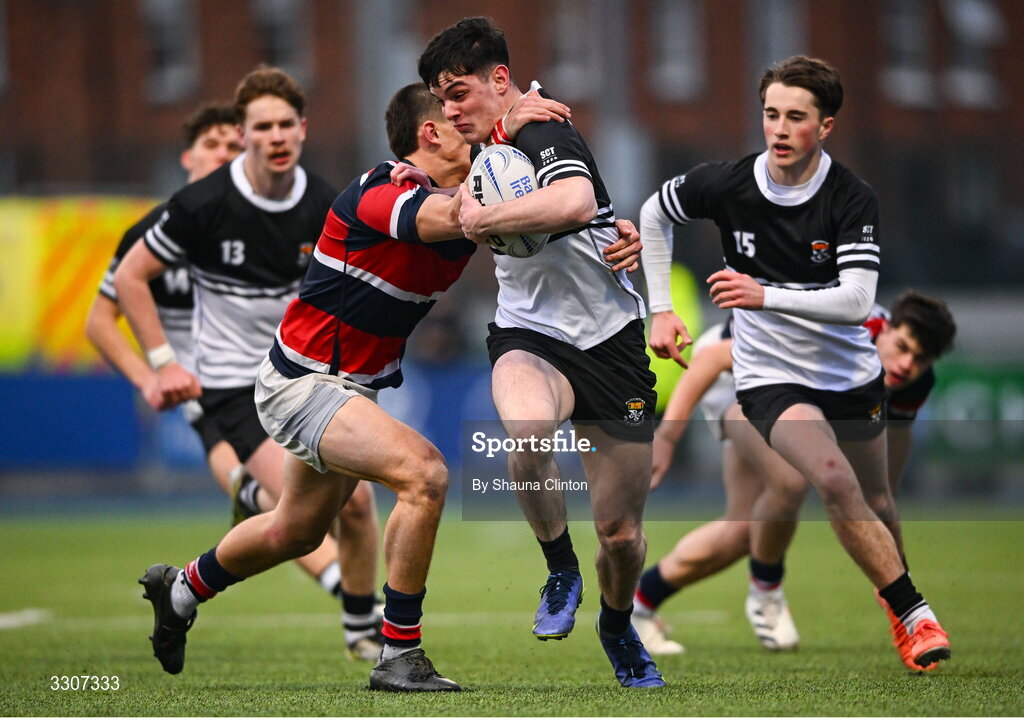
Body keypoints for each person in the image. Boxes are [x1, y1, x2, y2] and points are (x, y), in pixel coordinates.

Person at [123, 80, 640, 692]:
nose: (470, 128)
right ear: (430, 134)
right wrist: (506, 129)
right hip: (303, 382)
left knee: (295, 530)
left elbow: (527, 221)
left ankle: (180, 590)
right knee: (425, 475)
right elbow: (459, 216)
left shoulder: (471, 193)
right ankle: (399, 653)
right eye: (457, 120)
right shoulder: (380, 189)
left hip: (348, 388)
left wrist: (613, 234)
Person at [637, 55, 951, 671]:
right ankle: (911, 614)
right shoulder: (729, 183)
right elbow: (654, 213)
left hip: (848, 376)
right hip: (769, 377)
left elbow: (856, 300)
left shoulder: (850, 197)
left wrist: (764, 294)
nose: (779, 129)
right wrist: (661, 308)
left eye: (796, 117)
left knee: (879, 503)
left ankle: (895, 607)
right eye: (771, 114)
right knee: (827, 478)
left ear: (825, 126)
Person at [418, 17, 665, 688]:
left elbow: (577, 201)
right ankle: (560, 569)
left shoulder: (543, 125)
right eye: (442, 99)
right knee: (526, 432)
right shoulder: (494, 135)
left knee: (621, 536)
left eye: (459, 93)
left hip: (610, 344)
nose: (450, 111)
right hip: (528, 333)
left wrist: (482, 217)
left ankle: (617, 625)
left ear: (500, 79)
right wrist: (489, 145)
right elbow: (428, 185)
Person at [114, 67, 383, 663]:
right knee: (301, 524)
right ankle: (186, 587)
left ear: (303, 128)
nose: (276, 136)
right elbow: (130, 279)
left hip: (305, 376)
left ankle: (363, 633)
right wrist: (162, 364)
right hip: (237, 388)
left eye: (286, 124)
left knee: (358, 505)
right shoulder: (202, 204)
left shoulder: (324, 203)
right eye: (263, 127)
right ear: (243, 135)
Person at [633, 292, 956, 668]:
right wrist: (668, 437)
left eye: (920, 359)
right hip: (732, 379)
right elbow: (713, 359)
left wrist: (889, 564)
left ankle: (639, 606)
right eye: (902, 347)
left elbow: (882, 491)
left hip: (788, 390)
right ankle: (766, 590)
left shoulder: (912, 383)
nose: (906, 365)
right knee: (789, 482)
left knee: (744, 530)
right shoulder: (843, 333)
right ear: (883, 329)